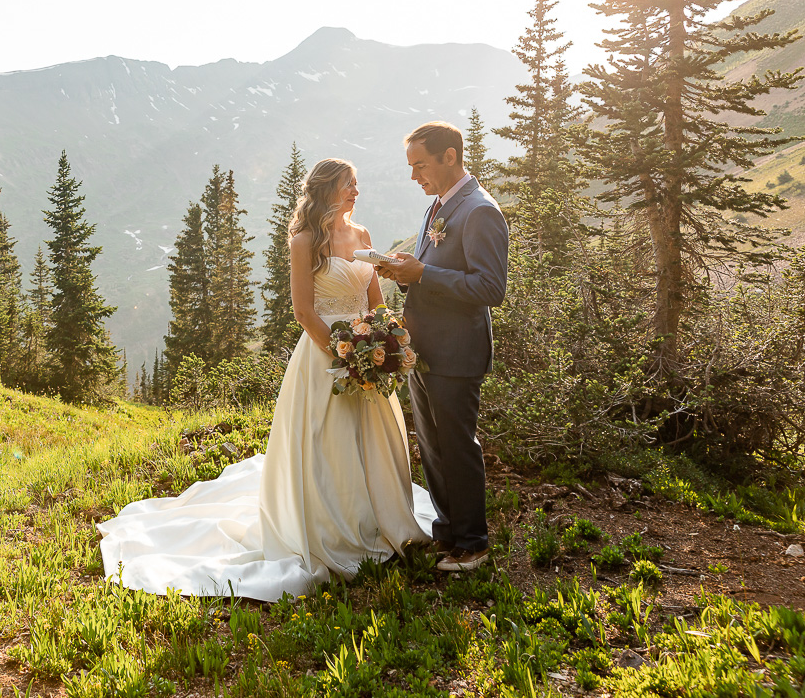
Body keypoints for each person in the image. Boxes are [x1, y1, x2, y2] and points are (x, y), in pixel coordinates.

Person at [97, 158, 433, 601]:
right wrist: (343, 356)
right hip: (324, 355)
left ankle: (377, 521)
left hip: (367, 351)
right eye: (348, 184)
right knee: (325, 441)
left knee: (373, 440)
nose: (356, 190)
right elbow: (304, 313)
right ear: (327, 188)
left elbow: (373, 300)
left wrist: (381, 343)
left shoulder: (363, 235)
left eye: (357, 184)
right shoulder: (305, 239)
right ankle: (330, 529)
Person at [379, 121, 508, 572]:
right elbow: (433, 264)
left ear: (449, 157)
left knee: (457, 446)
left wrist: (423, 276)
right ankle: (447, 534)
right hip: (424, 349)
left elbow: (491, 287)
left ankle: (473, 544)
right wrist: (405, 270)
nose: (415, 176)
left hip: (456, 351)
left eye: (420, 165)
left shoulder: (479, 211)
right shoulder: (439, 206)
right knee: (433, 446)